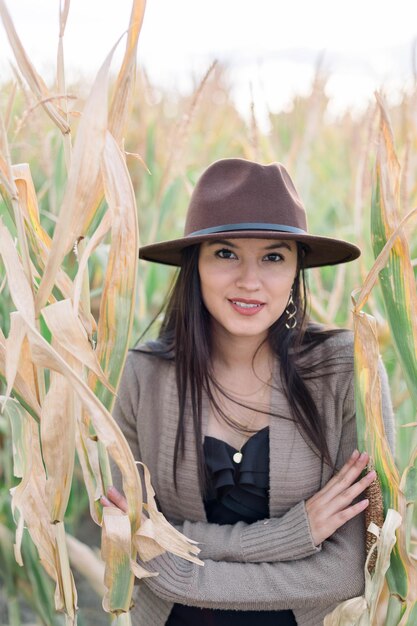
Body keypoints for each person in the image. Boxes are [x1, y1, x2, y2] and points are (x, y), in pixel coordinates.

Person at [102, 158, 394, 626]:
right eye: (225, 253)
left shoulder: (347, 370)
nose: (250, 280)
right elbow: (130, 540)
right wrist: (294, 534)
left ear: (298, 267)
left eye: (274, 257)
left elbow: (347, 573)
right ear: (193, 262)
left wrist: (176, 563)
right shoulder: (144, 375)